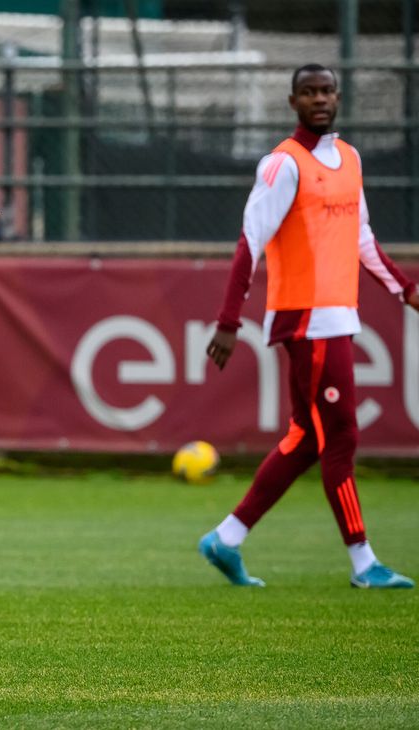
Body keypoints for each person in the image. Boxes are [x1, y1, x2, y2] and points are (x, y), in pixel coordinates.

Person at [199, 64, 418, 590]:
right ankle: (365, 564)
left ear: (338, 97)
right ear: (292, 100)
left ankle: (226, 539)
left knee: (306, 438)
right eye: (309, 92)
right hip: (305, 320)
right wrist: (229, 320)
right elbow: (250, 241)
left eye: (327, 90)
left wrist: (405, 289)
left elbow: (361, 236)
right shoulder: (282, 164)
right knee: (339, 435)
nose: (319, 99)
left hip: (337, 315)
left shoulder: (349, 159)